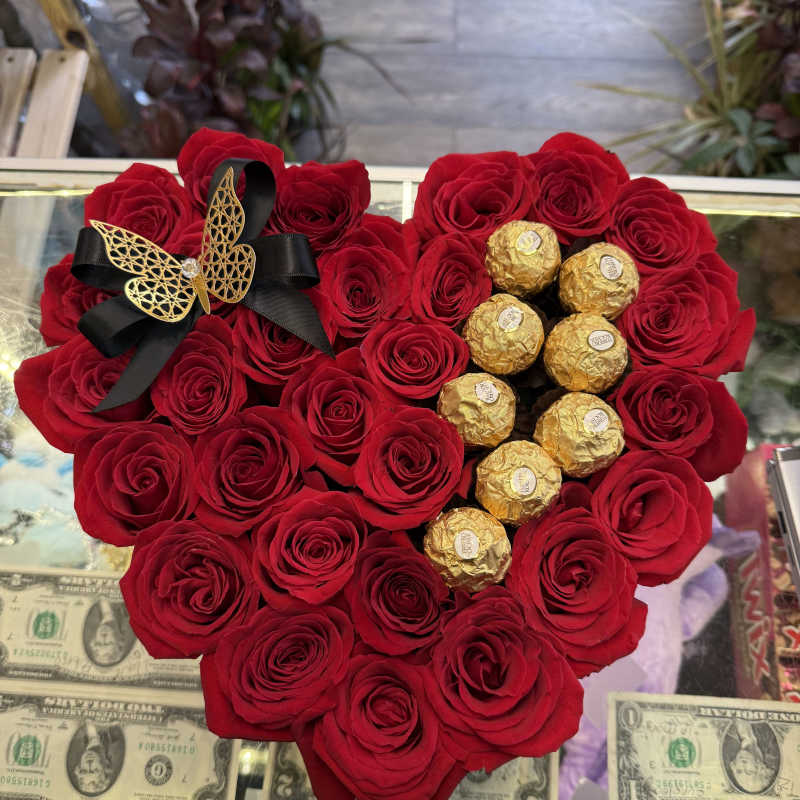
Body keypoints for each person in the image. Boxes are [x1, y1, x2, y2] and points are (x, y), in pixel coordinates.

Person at [726, 719, 775, 794]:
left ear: (734, 765)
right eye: (749, 771)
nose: (743, 765)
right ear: (760, 767)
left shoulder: (727, 738)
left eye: (739, 771)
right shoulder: (771, 741)